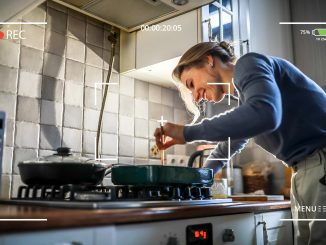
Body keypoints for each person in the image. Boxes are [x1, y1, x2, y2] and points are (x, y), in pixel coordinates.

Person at [154, 41, 326, 245]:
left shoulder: (249, 63)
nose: (195, 95)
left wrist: (187, 132)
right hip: (307, 172)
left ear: (209, 61)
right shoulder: (247, 98)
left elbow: (265, 113)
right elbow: (229, 144)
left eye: (191, 84)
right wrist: (200, 179)